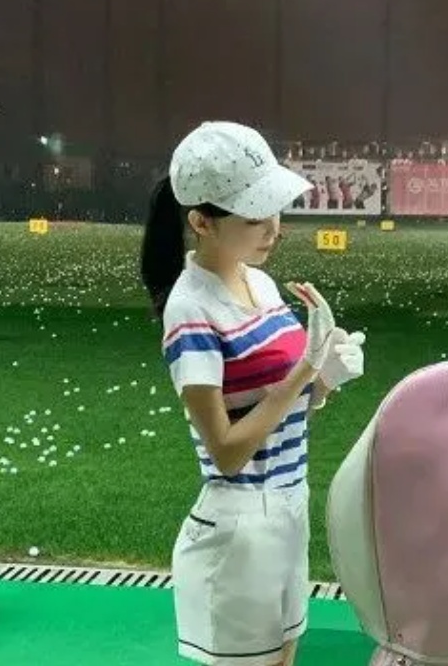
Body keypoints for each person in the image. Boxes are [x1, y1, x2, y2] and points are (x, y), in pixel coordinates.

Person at [140, 121, 367, 666]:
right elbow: (226, 451)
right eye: (253, 218)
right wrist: (304, 371)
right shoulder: (190, 310)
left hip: (289, 505)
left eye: (275, 211)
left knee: (285, 657)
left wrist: (324, 380)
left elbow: (276, 410)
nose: (274, 230)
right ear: (201, 222)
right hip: (239, 524)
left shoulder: (260, 283)